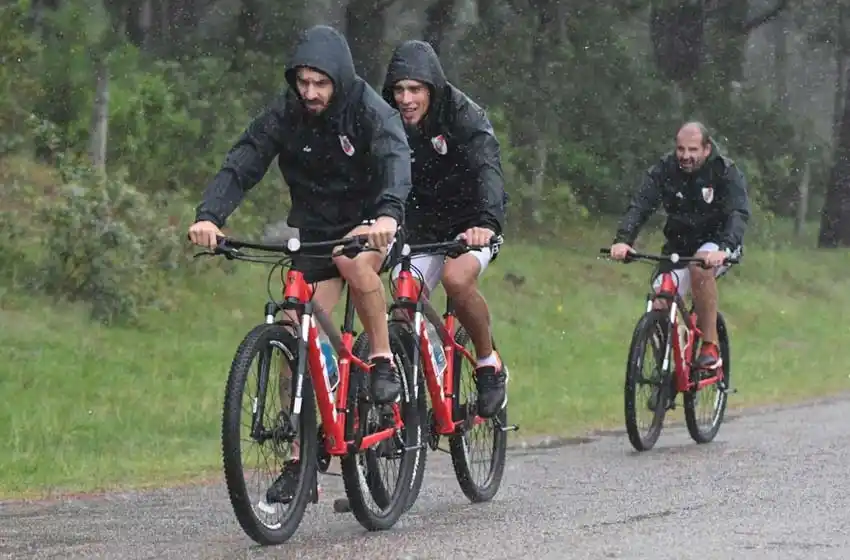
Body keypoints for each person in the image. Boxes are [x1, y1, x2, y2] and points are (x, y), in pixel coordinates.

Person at [188, 25, 413, 505]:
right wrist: (210, 215)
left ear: (339, 80)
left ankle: (381, 359)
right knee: (295, 329)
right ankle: (301, 459)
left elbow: (396, 158)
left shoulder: (369, 110)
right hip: (315, 232)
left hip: (373, 224)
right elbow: (245, 160)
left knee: (354, 267)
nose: (310, 93)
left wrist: (388, 215)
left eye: (320, 83)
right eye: (303, 82)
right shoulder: (286, 113)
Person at [381, 40, 509, 419]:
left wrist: (485, 223)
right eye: (399, 90)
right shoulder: (385, 119)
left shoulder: (465, 116)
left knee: (457, 280)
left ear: (432, 88)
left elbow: (489, 170)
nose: (406, 99)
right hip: (420, 227)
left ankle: (488, 363)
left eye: (415, 90)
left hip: (471, 224)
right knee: (403, 300)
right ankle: (412, 396)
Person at [609, 121, 750, 371]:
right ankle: (670, 361)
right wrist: (623, 240)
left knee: (700, 270)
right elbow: (640, 205)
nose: (686, 156)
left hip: (717, 243)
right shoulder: (665, 169)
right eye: (681, 149)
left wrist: (724, 247)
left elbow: (737, 213)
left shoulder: (724, 171)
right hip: (679, 245)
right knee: (660, 298)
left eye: (693, 150)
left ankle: (709, 346)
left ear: (706, 149)